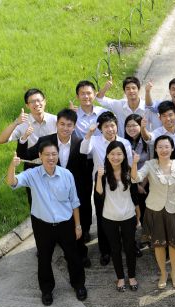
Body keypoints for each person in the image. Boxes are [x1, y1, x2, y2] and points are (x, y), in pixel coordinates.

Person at [6, 140, 87, 306]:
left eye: (54, 154)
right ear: (40, 156)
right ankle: (47, 290)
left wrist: (78, 225)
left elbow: (74, 202)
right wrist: (12, 166)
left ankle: (79, 285)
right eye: (47, 154)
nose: (51, 158)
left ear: (58, 155)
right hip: (42, 225)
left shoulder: (67, 174)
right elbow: (12, 182)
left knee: (73, 256)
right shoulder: (32, 174)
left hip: (66, 224)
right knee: (44, 259)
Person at [16, 108, 92, 268]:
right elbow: (25, 156)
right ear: (56, 124)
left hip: (73, 190)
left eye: (69, 125)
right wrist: (23, 140)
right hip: (48, 191)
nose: (65, 128)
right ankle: (46, 249)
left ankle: (80, 253)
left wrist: (84, 193)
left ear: (74, 126)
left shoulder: (80, 142)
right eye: (62, 124)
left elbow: (85, 170)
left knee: (78, 225)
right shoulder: (46, 141)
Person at [131, 136, 175, 290]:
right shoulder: (150, 164)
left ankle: (174, 273)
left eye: (166, 146)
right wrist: (135, 163)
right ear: (155, 149)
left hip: (173, 210)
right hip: (154, 210)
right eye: (160, 147)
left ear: (172, 148)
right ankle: (163, 273)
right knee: (158, 245)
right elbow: (135, 178)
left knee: (174, 245)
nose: (163, 150)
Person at [141, 100, 175, 256]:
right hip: (165, 177)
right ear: (159, 117)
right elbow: (148, 138)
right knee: (169, 212)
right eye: (164, 116)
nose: (168, 119)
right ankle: (166, 243)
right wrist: (143, 128)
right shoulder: (157, 132)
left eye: (170, 115)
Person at [80, 112, 133, 266]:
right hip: (101, 185)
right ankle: (105, 251)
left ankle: (125, 245)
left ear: (117, 126)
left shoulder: (124, 142)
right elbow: (84, 150)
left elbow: (128, 164)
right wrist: (90, 132)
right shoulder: (95, 140)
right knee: (103, 218)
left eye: (112, 125)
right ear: (100, 129)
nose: (110, 129)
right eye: (106, 126)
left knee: (124, 215)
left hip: (121, 184)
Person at [96, 141, 140, 292]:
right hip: (109, 217)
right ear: (107, 155)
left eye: (119, 154)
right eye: (112, 154)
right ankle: (120, 277)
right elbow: (99, 193)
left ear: (124, 156)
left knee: (129, 248)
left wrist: (134, 163)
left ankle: (132, 276)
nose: (116, 157)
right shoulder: (102, 172)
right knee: (115, 249)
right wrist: (99, 177)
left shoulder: (128, 170)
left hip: (128, 216)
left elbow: (135, 180)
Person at [71, 80, 108, 242]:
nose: (86, 96)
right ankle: (85, 228)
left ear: (94, 94)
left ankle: (108, 229)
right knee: (84, 195)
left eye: (89, 93)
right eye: (82, 93)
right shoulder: (73, 116)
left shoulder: (103, 112)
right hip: (84, 160)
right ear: (77, 96)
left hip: (103, 158)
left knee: (105, 193)